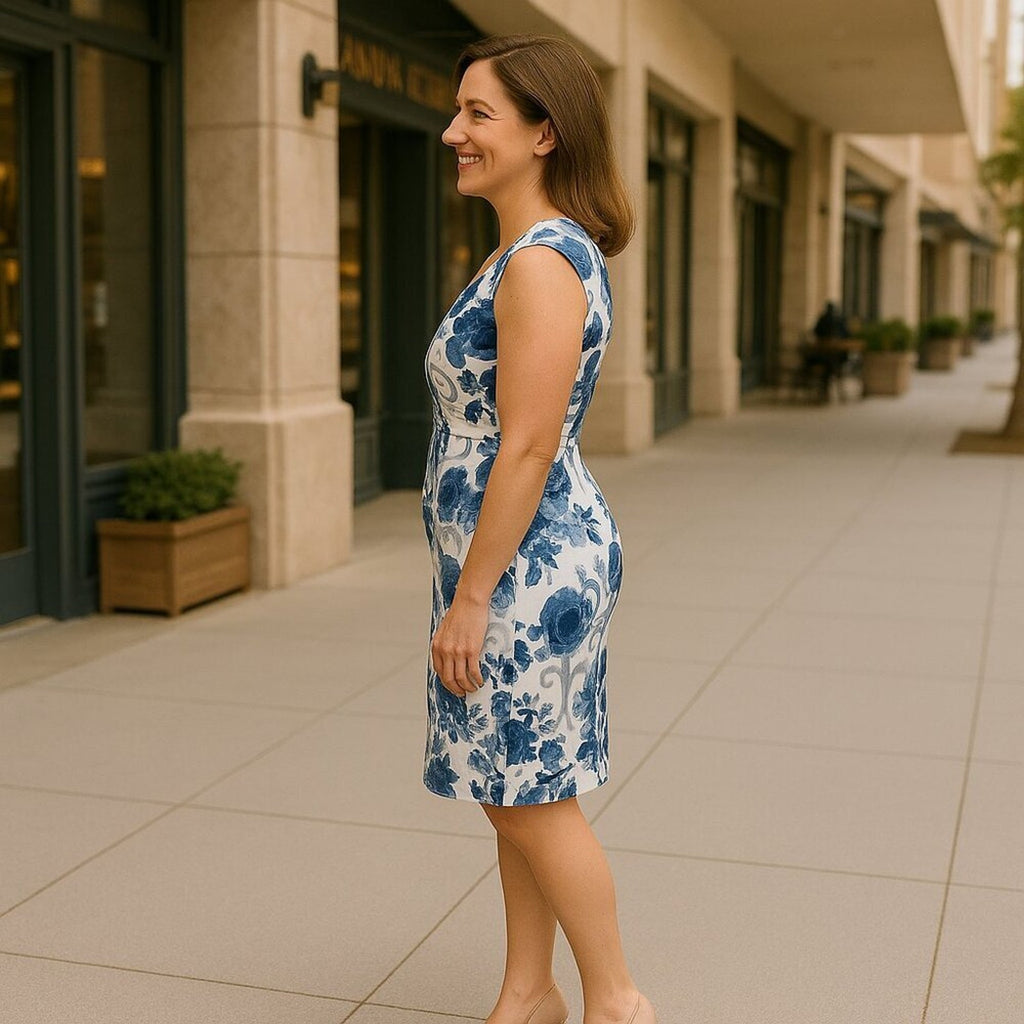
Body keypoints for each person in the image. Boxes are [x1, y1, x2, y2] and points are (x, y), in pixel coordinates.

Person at [421, 33, 656, 1024]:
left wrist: (471, 596)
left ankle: (616, 1003)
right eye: (459, 111)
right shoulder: (524, 253)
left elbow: (524, 446)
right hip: (506, 560)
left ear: (544, 132)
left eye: (478, 114)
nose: (452, 132)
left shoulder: (543, 264)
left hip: (522, 569)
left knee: (531, 796)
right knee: (510, 784)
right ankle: (529, 990)